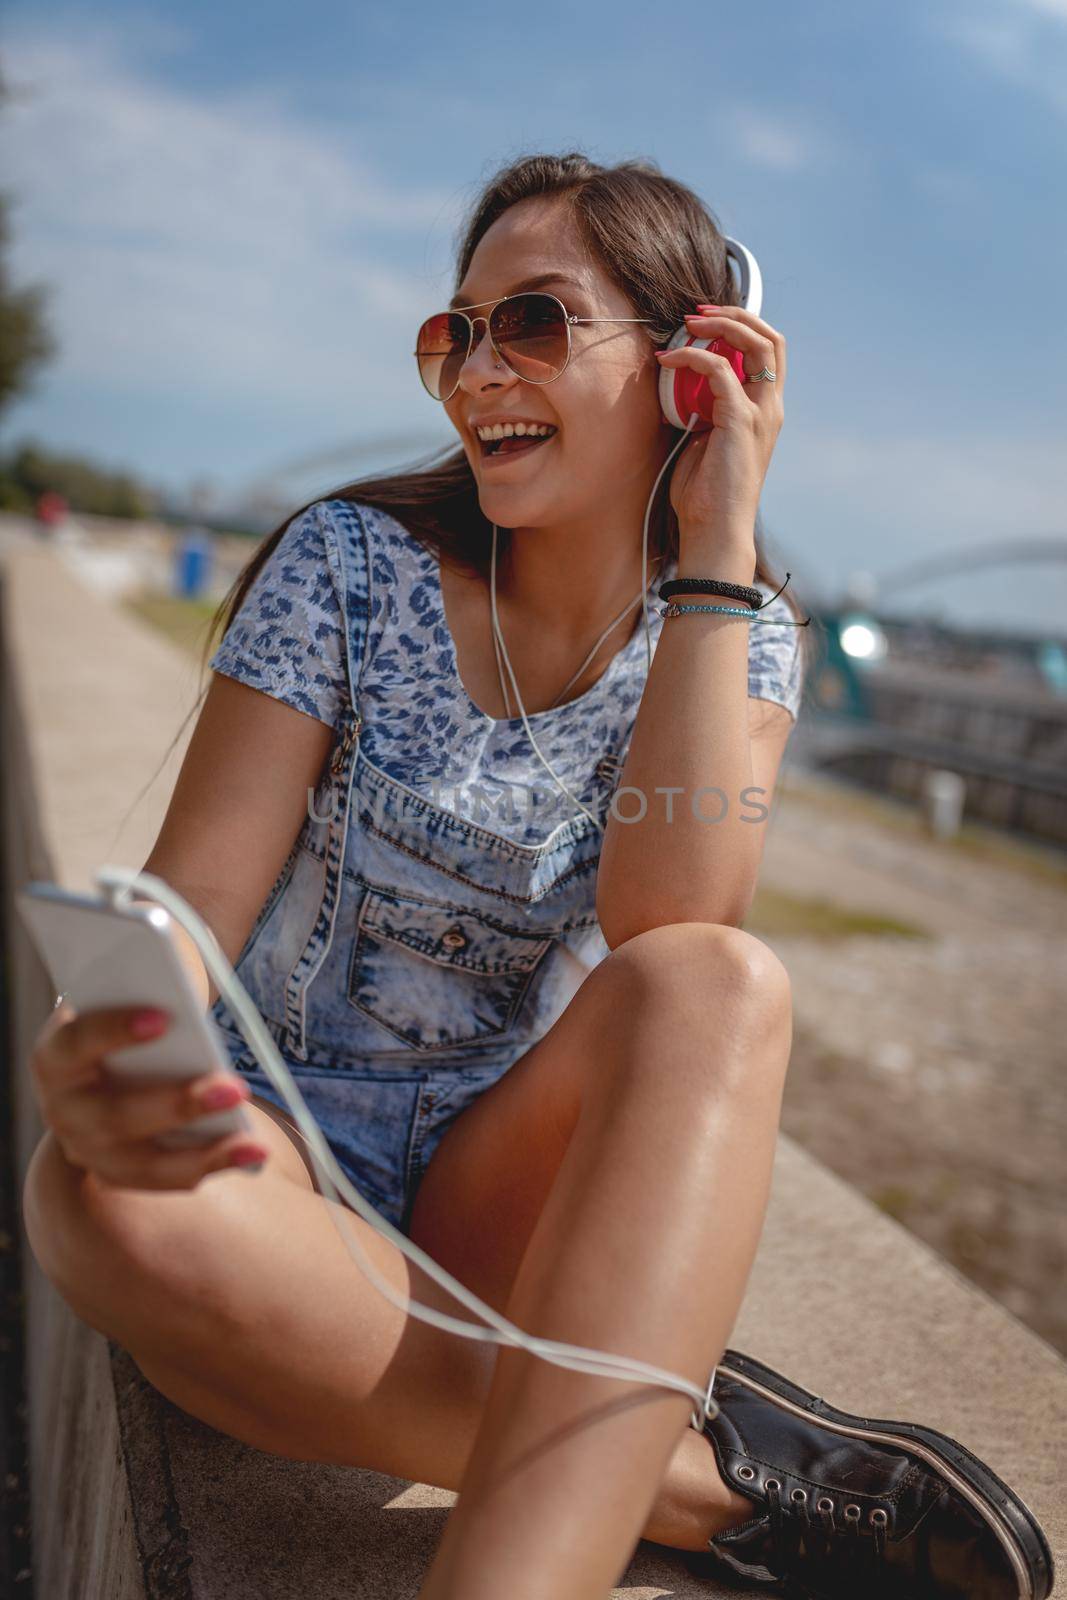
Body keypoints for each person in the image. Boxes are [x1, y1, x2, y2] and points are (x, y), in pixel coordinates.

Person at [22, 152, 1052, 1600]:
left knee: (723, 981)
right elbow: (190, 906)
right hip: (266, 1159)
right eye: (460, 331)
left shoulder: (739, 632)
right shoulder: (349, 563)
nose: (479, 371)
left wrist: (716, 547)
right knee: (93, 1204)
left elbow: (667, 926)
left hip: (488, 1211)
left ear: (691, 365)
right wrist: (112, 1039)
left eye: (539, 323)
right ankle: (695, 1481)